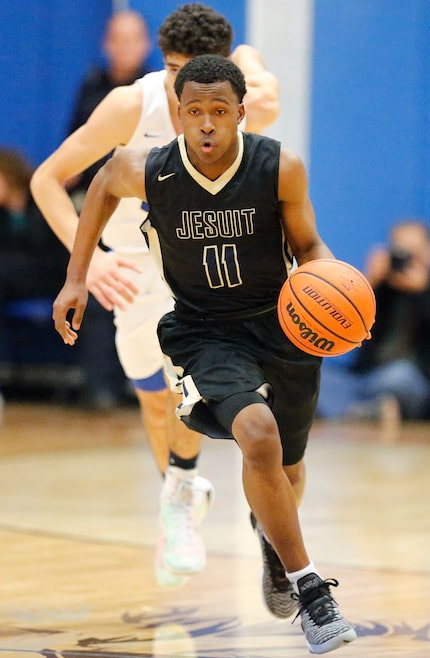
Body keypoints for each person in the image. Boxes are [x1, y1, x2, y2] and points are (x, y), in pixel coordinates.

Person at [51, 55, 357, 655]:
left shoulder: (279, 167)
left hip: (282, 328)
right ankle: (313, 593)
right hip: (203, 333)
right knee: (258, 435)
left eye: (220, 111)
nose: (208, 123)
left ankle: (274, 543)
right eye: (195, 112)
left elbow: (309, 244)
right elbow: (102, 185)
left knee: (288, 469)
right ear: (179, 115)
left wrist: (333, 285)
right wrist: (76, 276)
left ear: (241, 113)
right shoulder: (152, 169)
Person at [30, 3, 280, 590]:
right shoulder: (130, 104)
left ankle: (249, 518)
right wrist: (87, 266)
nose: (183, 86)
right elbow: (46, 179)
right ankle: (181, 492)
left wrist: (251, 63)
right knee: (153, 398)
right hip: (134, 271)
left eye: (200, 73)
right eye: (173, 70)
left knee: (196, 385)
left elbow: (264, 89)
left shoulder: (239, 102)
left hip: (203, 265)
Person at [0, 148, 125, 406]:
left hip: (57, 276)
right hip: (15, 281)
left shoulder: (45, 201)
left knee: (98, 301)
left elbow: (61, 248)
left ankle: (102, 389)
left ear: (9, 176)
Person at [317, 219, 430, 422]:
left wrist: (423, 292)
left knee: (399, 377)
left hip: (408, 378)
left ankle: (352, 412)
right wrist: (369, 281)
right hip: (365, 378)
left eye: (412, 251)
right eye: (398, 250)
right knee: (316, 374)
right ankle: (366, 412)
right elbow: (339, 321)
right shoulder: (378, 288)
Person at [67, 10, 153, 198]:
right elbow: (74, 135)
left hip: (141, 188)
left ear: (146, 44)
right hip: (90, 186)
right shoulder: (92, 85)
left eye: (132, 40)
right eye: (118, 40)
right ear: (106, 44)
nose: (125, 47)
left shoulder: (155, 88)